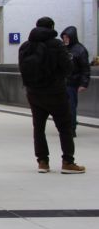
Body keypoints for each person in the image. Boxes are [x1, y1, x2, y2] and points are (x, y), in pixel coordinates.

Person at [20, 18, 84, 174]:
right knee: (65, 128)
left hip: (34, 93)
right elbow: (68, 68)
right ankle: (68, 162)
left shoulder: (26, 46)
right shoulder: (56, 45)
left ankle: (43, 162)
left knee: (39, 128)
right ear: (52, 27)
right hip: (56, 93)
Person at [61, 26, 90, 137]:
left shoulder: (80, 50)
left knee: (71, 106)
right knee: (63, 106)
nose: (65, 39)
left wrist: (84, 83)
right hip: (62, 82)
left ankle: (71, 127)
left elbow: (85, 68)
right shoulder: (63, 48)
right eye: (64, 37)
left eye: (67, 37)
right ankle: (67, 125)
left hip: (72, 82)